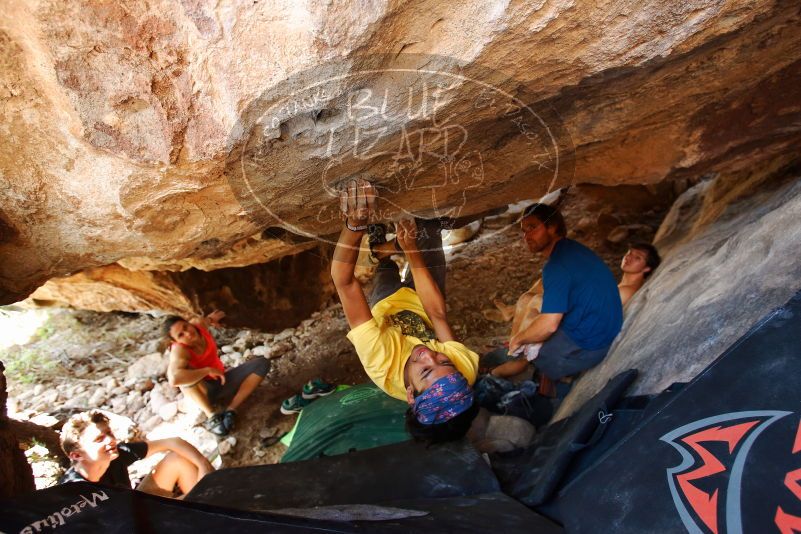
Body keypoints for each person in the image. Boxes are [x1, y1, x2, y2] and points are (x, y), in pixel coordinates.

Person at [330, 178, 479, 444]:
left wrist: (355, 224)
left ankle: (380, 247)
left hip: (386, 304)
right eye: (443, 361)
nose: (429, 356)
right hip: (424, 303)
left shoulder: (381, 361)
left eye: (424, 371)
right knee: (428, 230)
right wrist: (411, 250)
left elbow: (344, 281)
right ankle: (391, 247)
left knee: (385, 272)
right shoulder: (461, 373)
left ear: (411, 394)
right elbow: (437, 314)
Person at [507, 203, 623, 381]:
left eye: (532, 227)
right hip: (605, 327)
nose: (526, 236)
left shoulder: (556, 266)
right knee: (534, 331)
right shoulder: (573, 249)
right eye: (524, 230)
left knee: (537, 357)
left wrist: (519, 339)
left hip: (594, 344)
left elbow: (549, 324)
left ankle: (555, 383)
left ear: (552, 228)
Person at [59, 410, 213, 498]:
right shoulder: (73, 492)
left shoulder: (116, 455)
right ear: (77, 456)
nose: (110, 440)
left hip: (134, 509)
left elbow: (172, 442)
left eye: (109, 432)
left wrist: (203, 465)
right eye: (99, 439)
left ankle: (208, 503)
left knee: (177, 459)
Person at [164, 310, 270, 436]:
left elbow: (208, 319)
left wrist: (213, 319)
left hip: (222, 380)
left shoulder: (199, 325)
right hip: (204, 392)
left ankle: (231, 410)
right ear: (175, 341)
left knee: (262, 364)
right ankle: (212, 417)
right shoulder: (179, 350)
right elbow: (174, 379)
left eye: (186, 327)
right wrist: (207, 371)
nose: (188, 333)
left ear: (189, 322)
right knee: (184, 378)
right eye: (181, 335)